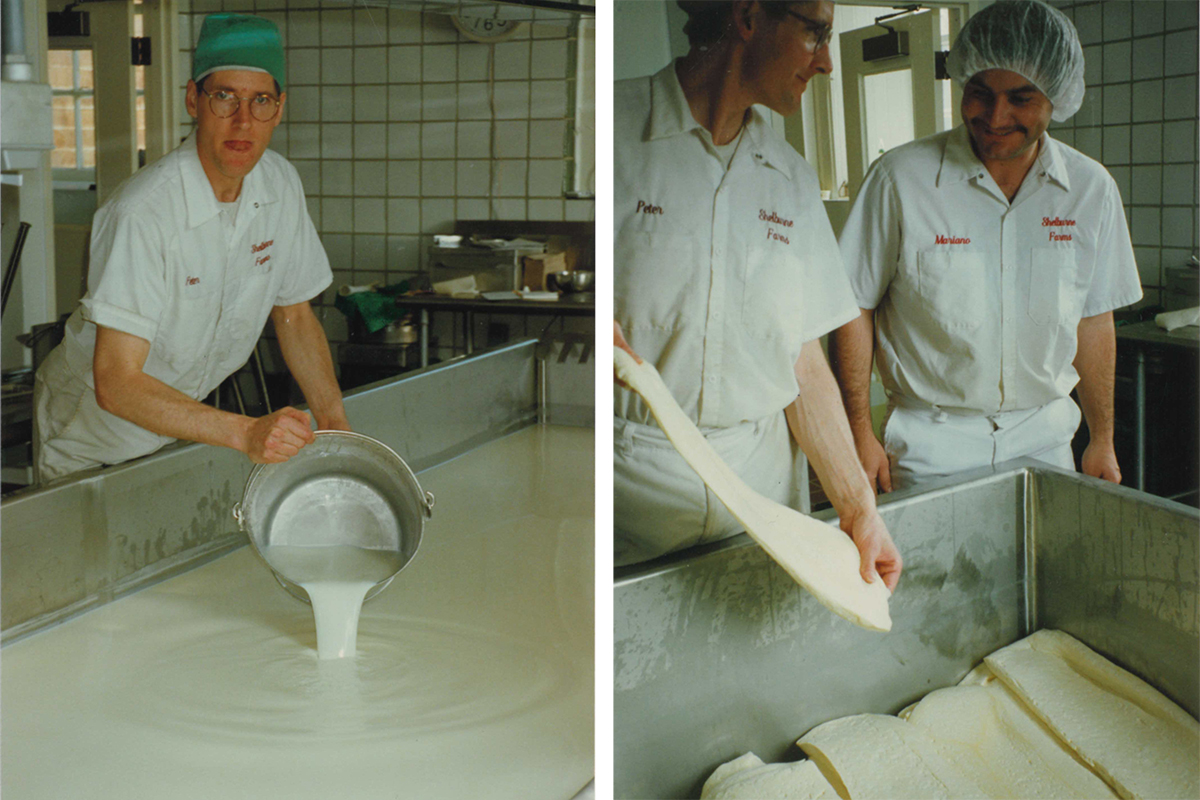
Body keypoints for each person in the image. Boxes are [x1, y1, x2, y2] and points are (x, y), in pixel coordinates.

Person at [614, 1, 902, 593]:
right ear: (749, 18)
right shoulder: (615, 134)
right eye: (815, 34)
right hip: (632, 501)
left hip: (764, 502)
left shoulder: (789, 179)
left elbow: (802, 361)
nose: (826, 61)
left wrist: (858, 511)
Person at [829, 0, 1141, 493]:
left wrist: (1101, 436)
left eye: (1021, 98)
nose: (996, 116)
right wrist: (857, 433)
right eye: (980, 93)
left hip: (1045, 440)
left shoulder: (1089, 190)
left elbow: (1093, 318)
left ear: (1056, 98)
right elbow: (853, 307)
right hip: (930, 444)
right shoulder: (901, 180)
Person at [33, 13, 350, 482]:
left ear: (279, 109)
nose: (243, 120)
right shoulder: (143, 212)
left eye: (260, 100)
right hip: (91, 435)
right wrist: (245, 434)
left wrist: (335, 423)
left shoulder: (279, 184)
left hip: (177, 422)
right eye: (225, 97)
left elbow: (295, 315)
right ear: (192, 101)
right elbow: (116, 383)